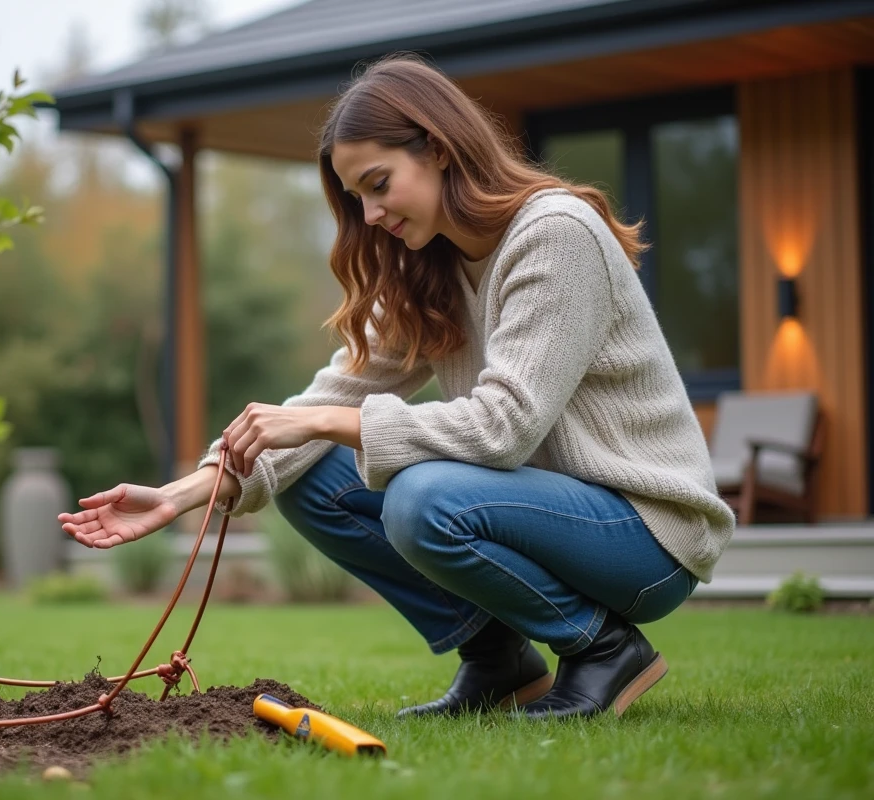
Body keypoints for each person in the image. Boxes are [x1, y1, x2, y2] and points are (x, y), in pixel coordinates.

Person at [58, 54, 735, 721]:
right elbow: (327, 400)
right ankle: (498, 658)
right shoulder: (429, 267)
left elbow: (503, 429)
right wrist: (179, 497)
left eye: (379, 184)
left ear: (438, 149)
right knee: (312, 474)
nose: (372, 213)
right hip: (547, 516)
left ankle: (605, 650)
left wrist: (324, 424)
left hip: (645, 534)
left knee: (418, 497)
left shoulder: (554, 235)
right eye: (358, 197)